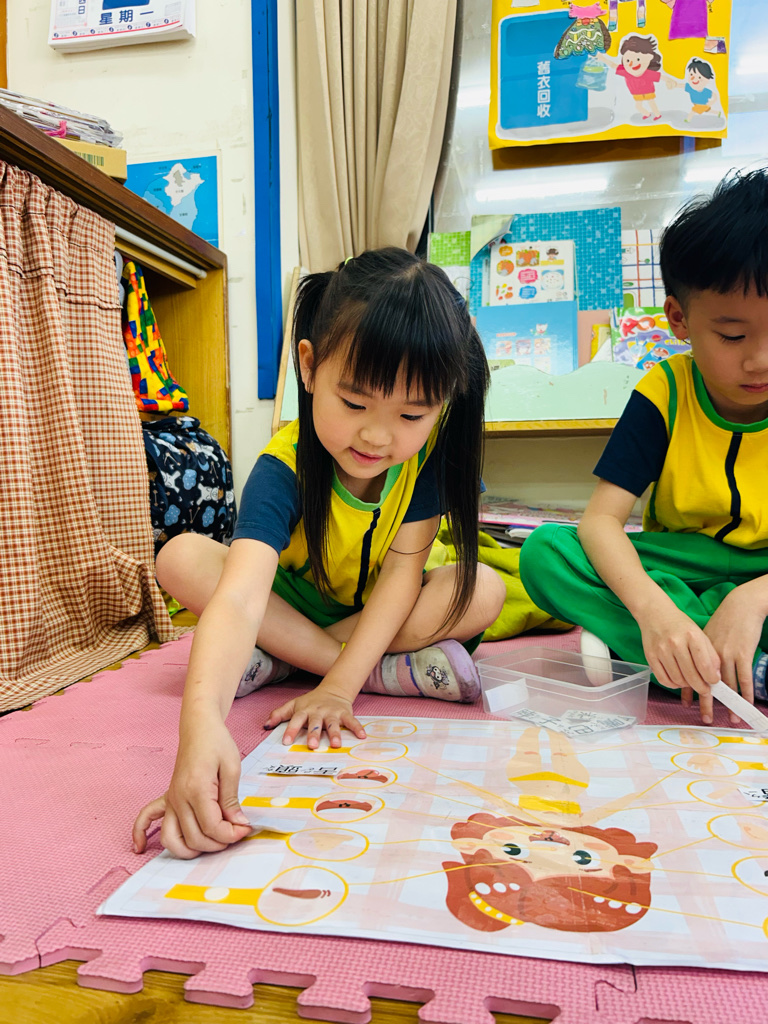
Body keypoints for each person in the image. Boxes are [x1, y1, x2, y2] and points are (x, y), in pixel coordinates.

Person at [133, 247, 505, 858]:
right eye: (354, 403)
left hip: (374, 613)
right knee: (179, 557)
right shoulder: (283, 464)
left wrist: (336, 691)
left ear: (442, 402)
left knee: (483, 588)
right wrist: (200, 727)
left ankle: (284, 661)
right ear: (308, 367)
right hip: (290, 604)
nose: (377, 436)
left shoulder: (431, 454)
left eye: (412, 413)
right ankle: (371, 669)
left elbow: (402, 577)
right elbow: (242, 598)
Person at [520, 170, 768, 727]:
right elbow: (599, 523)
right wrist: (655, 612)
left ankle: (671, 655)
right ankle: (717, 657)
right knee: (545, 554)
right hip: (677, 564)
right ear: (679, 319)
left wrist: (752, 599)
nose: (760, 360)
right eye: (733, 336)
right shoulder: (665, 392)